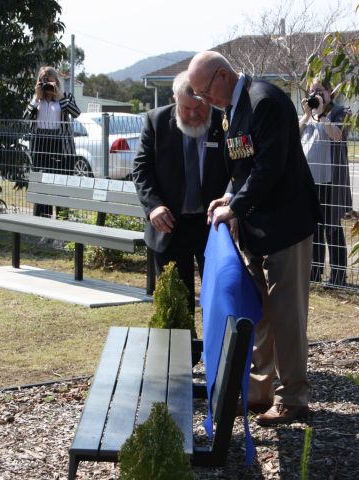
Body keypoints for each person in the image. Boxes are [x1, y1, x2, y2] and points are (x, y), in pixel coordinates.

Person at [187, 51, 322, 426]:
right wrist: (232, 197)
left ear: (221, 76)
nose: (204, 101)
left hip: (286, 226)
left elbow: (270, 167)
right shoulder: (235, 106)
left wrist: (236, 205)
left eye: (203, 91)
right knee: (261, 313)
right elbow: (245, 166)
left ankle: (293, 397)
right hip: (257, 227)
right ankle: (261, 392)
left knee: (286, 315)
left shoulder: (265, 101)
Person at [132, 71, 229, 315]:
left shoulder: (224, 122)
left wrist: (230, 201)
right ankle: (179, 352)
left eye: (200, 108)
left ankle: (214, 351)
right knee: (175, 303)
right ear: (176, 100)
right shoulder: (156, 121)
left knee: (218, 296)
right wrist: (153, 206)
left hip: (212, 224)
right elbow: (141, 169)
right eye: (187, 109)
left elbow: (239, 169)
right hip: (170, 225)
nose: (195, 115)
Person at [300, 77, 352, 287]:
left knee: (332, 227)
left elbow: (338, 135)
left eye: (320, 91)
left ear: (331, 92)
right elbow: (293, 135)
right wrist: (306, 116)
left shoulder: (341, 111)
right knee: (313, 228)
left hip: (331, 180)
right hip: (309, 181)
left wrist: (321, 115)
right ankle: (314, 272)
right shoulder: (309, 114)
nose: (316, 96)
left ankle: (338, 276)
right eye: (312, 92)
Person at [24, 66, 80, 217]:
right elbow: (25, 119)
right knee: (42, 185)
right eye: (44, 81)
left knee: (61, 185)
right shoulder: (37, 98)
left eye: (50, 81)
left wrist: (59, 96)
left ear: (56, 81)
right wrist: (36, 98)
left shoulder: (65, 96)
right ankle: (43, 223)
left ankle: (62, 222)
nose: (47, 85)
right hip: (40, 144)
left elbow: (76, 113)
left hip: (61, 145)